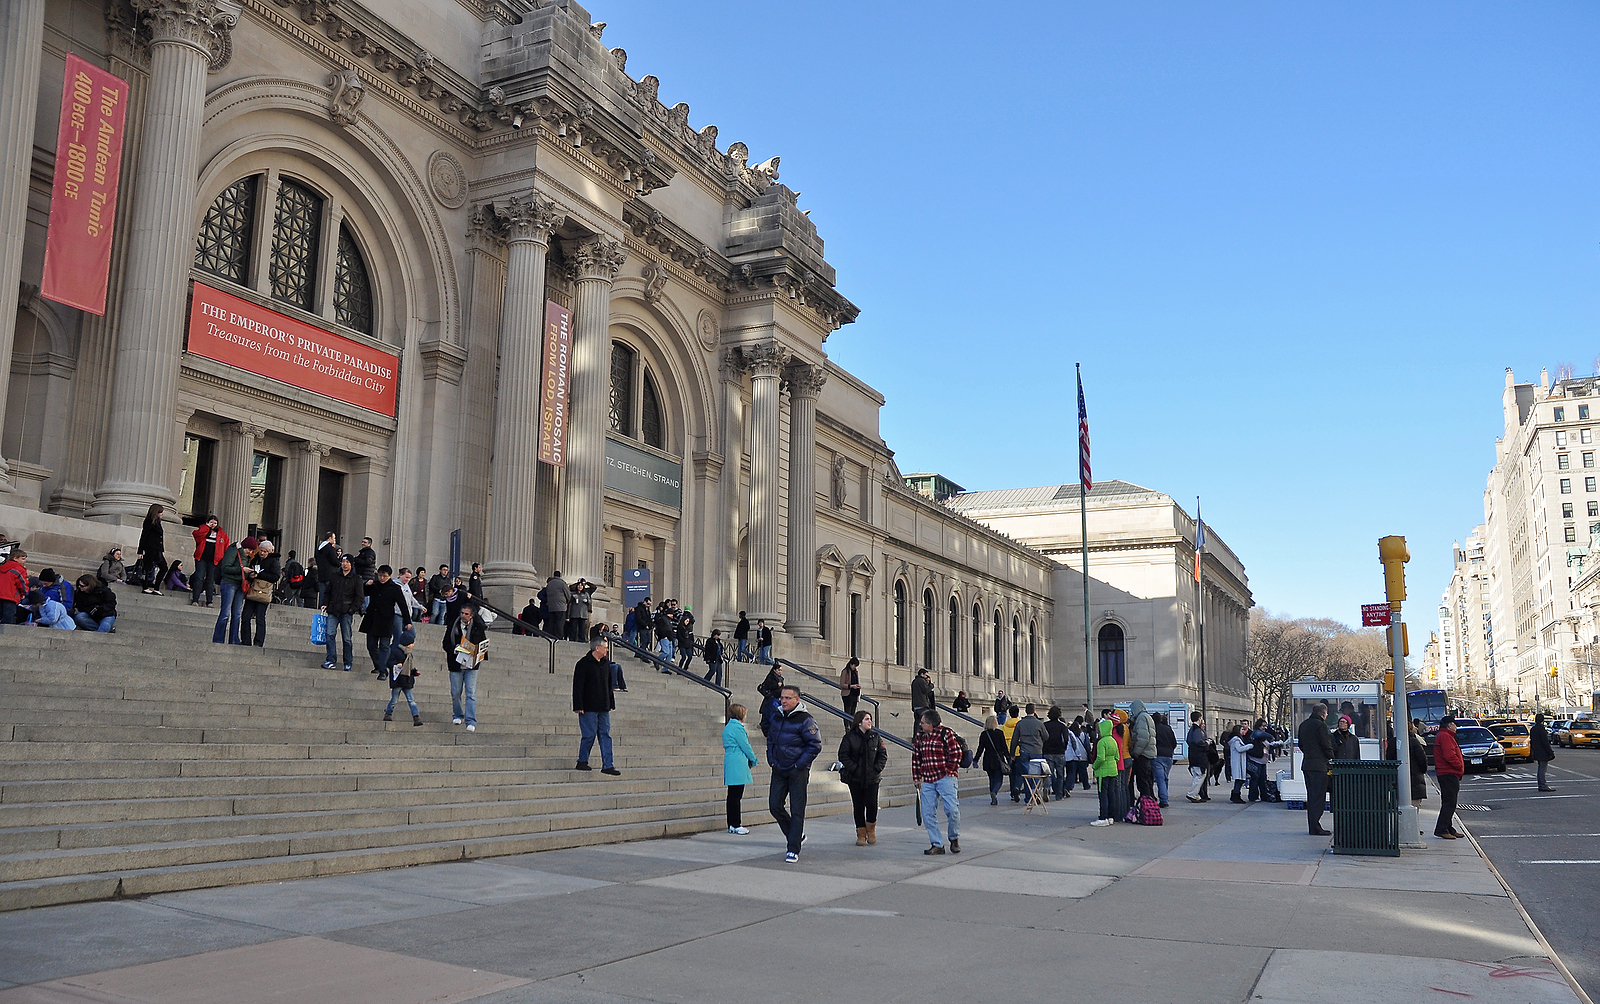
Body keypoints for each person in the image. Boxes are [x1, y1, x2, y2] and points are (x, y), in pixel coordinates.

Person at [766, 684, 821, 863]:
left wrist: (800, 765)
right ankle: (795, 835)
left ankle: (793, 848)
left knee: (797, 809)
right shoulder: (776, 715)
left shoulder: (806, 720)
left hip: (797, 770)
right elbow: (771, 738)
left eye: (788, 698)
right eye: (782, 698)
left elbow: (815, 745)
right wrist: (771, 758)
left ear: (797, 700)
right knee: (775, 806)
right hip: (779, 768)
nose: (784, 701)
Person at [911, 709, 962, 854]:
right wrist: (917, 777)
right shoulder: (920, 737)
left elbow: (956, 753)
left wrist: (950, 770)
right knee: (927, 813)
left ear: (931, 724)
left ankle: (954, 837)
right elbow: (916, 757)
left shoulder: (945, 733)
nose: (920, 725)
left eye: (923, 722)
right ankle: (937, 844)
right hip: (928, 779)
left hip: (945, 777)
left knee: (952, 810)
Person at [839, 709, 888, 846]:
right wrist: (854, 768)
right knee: (858, 806)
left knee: (872, 805)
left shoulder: (876, 737)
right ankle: (861, 833)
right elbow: (843, 755)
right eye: (867, 719)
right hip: (855, 778)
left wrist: (876, 768)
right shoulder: (849, 737)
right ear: (859, 722)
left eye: (870, 719)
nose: (870, 721)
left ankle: (871, 830)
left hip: (872, 778)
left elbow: (882, 755)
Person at [572, 636, 620, 774]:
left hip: (603, 706)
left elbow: (609, 684)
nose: (607, 650)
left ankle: (608, 765)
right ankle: (582, 761)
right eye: (605, 647)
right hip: (588, 706)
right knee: (589, 735)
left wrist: (611, 702)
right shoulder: (583, 664)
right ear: (597, 648)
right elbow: (578, 686)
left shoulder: (606, 664)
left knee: (605, 735)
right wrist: (578, 705)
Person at [360, 565, 414, 676]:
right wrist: (366, 585)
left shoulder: (395, 588)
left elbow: (403, 605)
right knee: (371, 645)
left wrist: (407, 621)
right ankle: (378, 665)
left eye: (384, 576)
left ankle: (383, 670)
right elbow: (363, 593)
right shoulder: (375, 584)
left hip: (386, 620)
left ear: (389, 576)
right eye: (380, 575)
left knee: (384, 646)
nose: (382, 578)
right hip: (372, 619)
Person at [446, 601, 488, 730]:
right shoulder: (453, 626)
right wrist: (454, 648)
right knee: (455, 693)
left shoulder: (478, 627)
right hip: (455, 664)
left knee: (471, 693)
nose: (463, 616)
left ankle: (471, 721)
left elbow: (483, 644)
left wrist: (481, 653)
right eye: (462, 613)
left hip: (471, 665)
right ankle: (458, 715)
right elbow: (445, 643)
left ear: (471, 616)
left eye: (466, 614)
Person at [1297, 704, 1334, 834]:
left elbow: (1301, 744)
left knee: (1312, 796)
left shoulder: (1303, 725)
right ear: (1323, 714)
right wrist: (1332, 758)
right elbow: (1326, 745)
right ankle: (1315, 826)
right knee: (1318, 797)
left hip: (1307, 764)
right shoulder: (1321, 726)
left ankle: (1312, 825)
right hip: (1319, 766)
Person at [321, 554, 362, 671]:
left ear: (351, 564)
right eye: (343, 562)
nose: (345, 564)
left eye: (347, 562)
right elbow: (328, 592)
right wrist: (325, 603)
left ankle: (348, 662)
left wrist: (352, 610)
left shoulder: (356, 579)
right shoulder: (335, 576)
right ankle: (331, 660)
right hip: (333, 610)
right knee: (329, 635)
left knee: (347, 638)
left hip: (346, 611)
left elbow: (359, 597)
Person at [722, 704, 757, 833]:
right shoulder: (738, 728)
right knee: (737, 795)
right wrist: (753, 759)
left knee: (732, 795)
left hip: (730, 759)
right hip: (738, 760)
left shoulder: (728, 727)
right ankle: (736, 824)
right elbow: (745, 745)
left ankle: (731, 824)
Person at [239, 539, 279, 648]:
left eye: (265, 551)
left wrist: (260, 575)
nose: (262, 553)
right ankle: (246, 640)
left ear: (269, 552)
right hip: (253, 590)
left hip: (263, 591)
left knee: (260, 618)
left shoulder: (274, 561)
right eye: (261, 550)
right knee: (245, 616)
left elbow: (275, 577)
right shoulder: (255, 559)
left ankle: (258, 642)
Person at [1433, 715, 1466, 839]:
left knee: (1449, 802)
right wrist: (1459, 766)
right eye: (1454, 724)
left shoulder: (1445, 736)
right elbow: (1449, 756)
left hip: (1448, 773)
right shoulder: (1446, 737)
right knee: (1449, 803)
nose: (1456, 727)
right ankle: (1441, 829)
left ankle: (1449, 828)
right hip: (1448, 773)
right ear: (1449, 725)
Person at [383, 627, 423, 725]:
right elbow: (389, 663)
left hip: (407, 680)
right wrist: (396, 665)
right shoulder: (396, 652)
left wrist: (414, 672)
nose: (412, 645)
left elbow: (409, 667)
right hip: (398, 680)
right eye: (411, 643)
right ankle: (388, 712)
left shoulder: (409, 655)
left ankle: (416, 717)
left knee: (411, 700)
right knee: (394, 699)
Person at [211, 536, 245, 645]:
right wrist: (242, 569)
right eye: (249, 549)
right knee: (225, 613)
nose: (250, 552)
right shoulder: (233, 550)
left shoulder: (248, 556)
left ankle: (234, 639)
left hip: (240, 585)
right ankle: (218, 639)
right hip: (229, 583)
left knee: (237, 614)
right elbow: (225, 568)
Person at [1008, 703, 1045, 802]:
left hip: (1024, 751)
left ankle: (1028, 796)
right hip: (1036, 751)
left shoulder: (1020, 723)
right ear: (1034, 710)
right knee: (1036, 774)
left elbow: (1014, 740)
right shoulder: (1039, 723)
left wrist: (1012, 754)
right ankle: (1035, 793)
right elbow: (1046, 736)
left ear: (1025, 711)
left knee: (1026, 774)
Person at [190, 516, 228, 606]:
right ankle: (195, 599)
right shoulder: (203, 531)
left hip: (214, 560)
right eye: (211, 522)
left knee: (210, 580)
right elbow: (197, 535)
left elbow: (225, 546)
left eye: (215, 523)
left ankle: (209, 601)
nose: (213, 525)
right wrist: (206, 527)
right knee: (199, 578)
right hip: (201, 558)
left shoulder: (222, 535)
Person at [1090, 718, 1121, 826]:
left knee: (1103, 795)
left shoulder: (1102, 742)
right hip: (1113, 770)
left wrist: (1094, 766)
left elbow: (1100, 758)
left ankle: (1103, 817)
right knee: (1111, 794)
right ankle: (1111, 816)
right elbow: (1117, 757)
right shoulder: (1113, 740)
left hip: (1103, 771)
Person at [975, 713, 1010, 805]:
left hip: (988, 759)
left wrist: (976, 760)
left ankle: (992, 797)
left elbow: (980, 749)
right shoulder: (999, 733)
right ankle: (994, 792)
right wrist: (1008, 758)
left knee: (991, 779)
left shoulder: (984, 734)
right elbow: (1004, 748)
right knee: (999, 779)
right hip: (998, 760)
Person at [1128, 700, 1157, 803]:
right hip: (1148, 753)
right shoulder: (1147, 716)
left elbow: (1143, 738)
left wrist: (1135, 752)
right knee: (1147, 780)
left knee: (1143, 781)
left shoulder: (1141, 718)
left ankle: (1147, 804)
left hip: (1143, 754)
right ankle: (1151, 801)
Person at [136, 503, 167, 595]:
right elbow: (144, 536)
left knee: (164, 567)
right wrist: (140, 551)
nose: (162, 514)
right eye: (160, 512)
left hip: (157, 549)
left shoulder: (157, 521)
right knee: (147, 567)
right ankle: (145, 587)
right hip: (150, 548)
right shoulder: (149, 521)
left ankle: (156, 588)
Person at [1043, 706, 1072, 800]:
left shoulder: (1045, 725)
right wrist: (1063, 748)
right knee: (1060, 774)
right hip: (1059, 752)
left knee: (1048, 773)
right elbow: (1066, 739)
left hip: (1048, 751)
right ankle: (1059, 794)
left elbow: (1043, 737)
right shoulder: (1062, 726)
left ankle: (1047, 788)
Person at [1185, 711, 1212, 804]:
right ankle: (1192, 793)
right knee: (1200, 775)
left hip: (1193, 755)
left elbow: (1188, 740)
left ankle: (1195, 794)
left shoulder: (1191, 730)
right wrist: (1206, 743)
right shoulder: (1197, 730)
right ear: (1199, 718)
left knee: (1197, 775)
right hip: (1199, 756)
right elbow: (1198, 742)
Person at [1153, 712, 1177, 807]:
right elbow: (1174, 742)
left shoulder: (1154, 729)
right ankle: (1165, 796)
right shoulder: (1168, 729)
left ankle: (1164, 799)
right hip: (1168, 755)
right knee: (1165, 777)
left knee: (1160, 778)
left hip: (1158, 755)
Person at [313, 531, 340, 608]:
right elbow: (334, 560)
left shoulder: (319, 548)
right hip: (330, 574)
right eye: (334, 538)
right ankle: (329, 606)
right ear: (330, 538)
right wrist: (339, 562)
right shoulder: (330, 548)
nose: (335, 540)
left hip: (322, 574)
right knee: (330, 592)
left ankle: (321, 606)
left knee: (322, 592)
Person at [756, 662, 784, 735]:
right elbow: (767, 685)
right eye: (778, 670)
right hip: (770, 697)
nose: (780, 672)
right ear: (774, 670)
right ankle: (764, 724)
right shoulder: (771, 677)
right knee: (767, 711)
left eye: (781, 670)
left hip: (777, 698)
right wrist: (776, 685)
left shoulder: (780, 678)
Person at [1531, 713, 1556, 792]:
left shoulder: (1533, 729)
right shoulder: (1541, 729)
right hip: (1542, 752)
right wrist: (1551, 753)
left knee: (1540, 768)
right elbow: (1545, 742)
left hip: (1536, 751)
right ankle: (1543, 785)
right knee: (1542, 769)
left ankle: (1541, 784)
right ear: (1542, 720)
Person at [1228, 724, 1253, 803]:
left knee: (1240, 779)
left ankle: (1236, 794)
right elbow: (1239, 749)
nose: (1243, 731)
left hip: (1239, 761)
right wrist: (1249, 746)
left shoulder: (1237, 739)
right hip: (1237, 762)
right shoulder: (1236, 739)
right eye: (1242, 730)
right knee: (1239, 780)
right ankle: (1236, 795)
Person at [544, 571, 571, 639]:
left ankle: (551, 635)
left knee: (552, 622)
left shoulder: (549, 584)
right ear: (560, 575)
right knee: (560, 623)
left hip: (551, 606)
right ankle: (558, 636)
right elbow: (568, 594)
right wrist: (568, 601)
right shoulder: (562, 583)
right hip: (561, 606)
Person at [0, 547, 23, 627]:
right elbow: (22, 583)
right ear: (15, 558)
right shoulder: (19, 569)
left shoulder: (2, 567)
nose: (24, 561)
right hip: (11, 596)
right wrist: (24, 593)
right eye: (22, 559)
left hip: (1, 595)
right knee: (8, 618)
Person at [569, 578, 592, 642]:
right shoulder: (573, 593)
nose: (580, 587)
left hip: (583, 614)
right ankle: (572, 639)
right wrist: (573, 598)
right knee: (573, 628)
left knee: (582, 628)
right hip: (574, 613)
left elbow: (590, 602)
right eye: (578, 585)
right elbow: (568, 600)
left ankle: (581, 639)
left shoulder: (586, 594)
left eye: (581, 585)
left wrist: (587, 601)